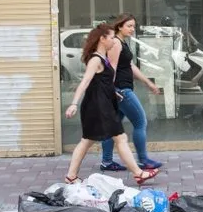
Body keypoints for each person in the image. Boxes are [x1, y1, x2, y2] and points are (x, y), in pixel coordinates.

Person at [64, 23, 159, 185]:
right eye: (111, 38)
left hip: (100, 103)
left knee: (87, 141)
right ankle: (138, 173)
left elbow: (100, 82)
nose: (113, 41)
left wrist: (114, 93)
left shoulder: (102, 59)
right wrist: (73, 103)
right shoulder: (96, 59)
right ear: (102, 39)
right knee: (120, 137)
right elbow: (85, 81)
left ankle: (71, 176)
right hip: (99, 106)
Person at [99, 14, 164, 171]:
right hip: (121, 90)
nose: (132, 29)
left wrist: (148, 83)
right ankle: (143, 160)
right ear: (119, 26)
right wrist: (112, 90)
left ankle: (106, 162)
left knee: (113, 126)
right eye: (129, 26)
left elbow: (130, 66)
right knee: (140, 122)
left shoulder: (122, 43)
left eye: (133, 26)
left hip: (120, 89)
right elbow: (112, 67)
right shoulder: (116, 43)